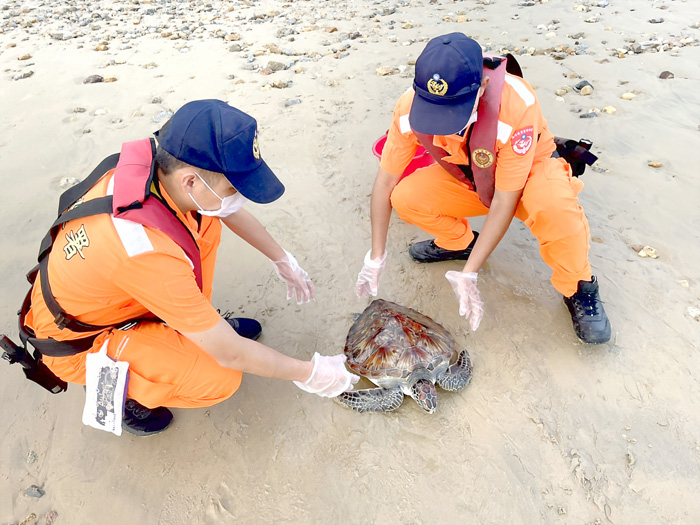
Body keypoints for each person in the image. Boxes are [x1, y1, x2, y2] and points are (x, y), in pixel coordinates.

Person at [21, 99, 359, 436]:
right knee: (220, 377)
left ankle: (192, 326)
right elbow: (232, 355)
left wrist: (281, 258)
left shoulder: (161, 171)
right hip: (80, 340)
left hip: (113, 291)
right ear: (191, 182)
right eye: (232, 187)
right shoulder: (143, 247)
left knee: (205, 221)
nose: (237, 196)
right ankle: (127, 393)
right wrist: (310, 373)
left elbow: (222, 210)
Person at [356, 33, 611, 344]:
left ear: (483, 88)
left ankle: (578, 286)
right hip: (471, 176)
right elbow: (384, 182)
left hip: (529, 173)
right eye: (433, 111)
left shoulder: (517, 104)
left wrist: (470, 273)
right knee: (406, 197)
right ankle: (458, 243)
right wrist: (376, 256)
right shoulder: (407, 109)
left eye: (452, 112)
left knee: (555, 208)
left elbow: (505, 200)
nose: (442, 124)